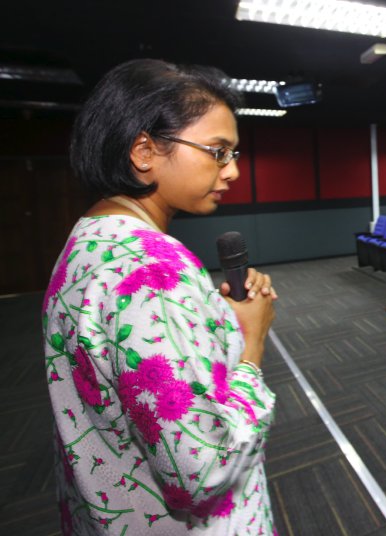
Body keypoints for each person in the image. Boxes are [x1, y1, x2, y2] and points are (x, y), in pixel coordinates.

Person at [43, 59, 278, 534]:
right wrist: (250, 346)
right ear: (145, 150)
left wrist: (207, 316)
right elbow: (203, 471)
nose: (233, 170)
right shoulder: (153, 271)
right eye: (219, 151)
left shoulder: (92, 239)